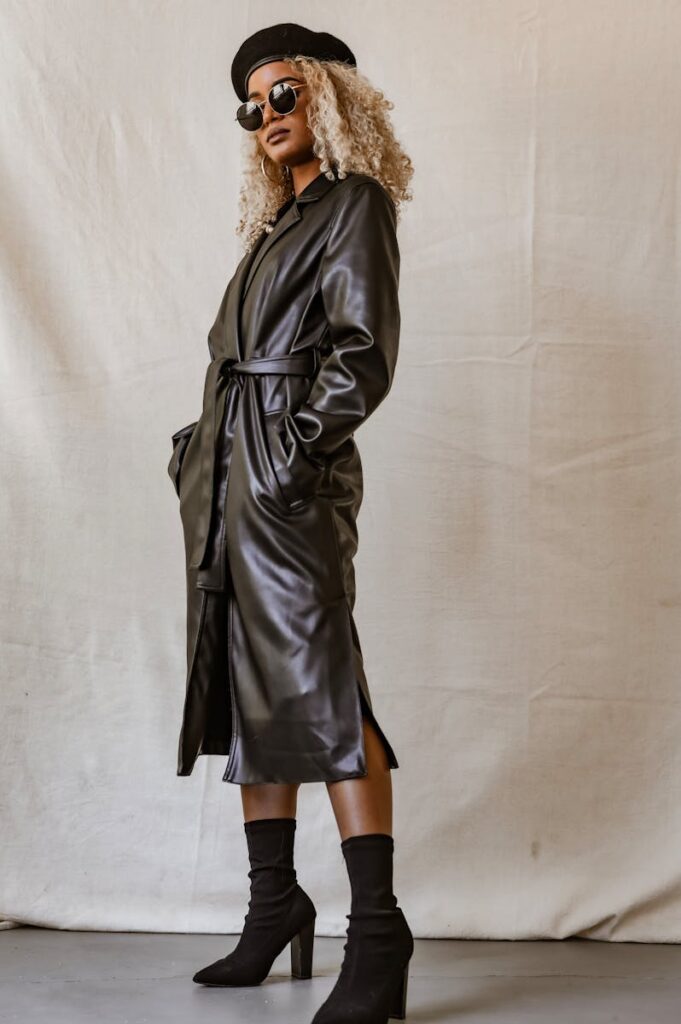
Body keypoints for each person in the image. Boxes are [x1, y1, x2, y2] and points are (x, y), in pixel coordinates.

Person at [167, 22, 415, 1023]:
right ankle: (275, 902)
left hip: (283, 485)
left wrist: (292, 451)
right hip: (229, 485)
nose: (266, 114)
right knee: (247, 684)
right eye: (252, 104)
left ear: (326, 96)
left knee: (324, 681)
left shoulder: (354, 205)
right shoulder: (276, 225)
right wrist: (202, 448)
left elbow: (363, 350)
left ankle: (380, 931)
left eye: (284, 93)